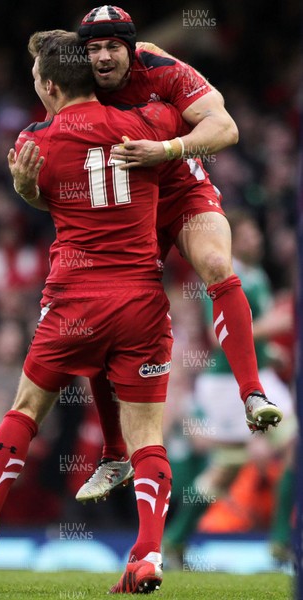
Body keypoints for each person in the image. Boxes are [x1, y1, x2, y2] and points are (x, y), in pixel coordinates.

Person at [0, 30, 186, 594]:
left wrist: (24, 190)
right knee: (147, 436)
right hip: (140, 301)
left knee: (26, 410)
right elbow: (185, 115)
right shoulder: (146, 123)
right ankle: (147, 554)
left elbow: (40, 190)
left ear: (51, 86)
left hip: (73, 300)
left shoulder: (35, 142)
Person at [74, 5, 283, 504]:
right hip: (127, 209)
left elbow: (225, 127)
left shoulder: (160, 66)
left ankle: (252, 394)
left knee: (215, 265)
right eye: (94, 48)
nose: (103, 57)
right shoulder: (73, 78)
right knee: (105, 317)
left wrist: (166, 150)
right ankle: (114, 453)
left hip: (181, 188)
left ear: (130, 46)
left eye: (112, 47)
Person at [162, 210, 297, 564]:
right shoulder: (222, 273)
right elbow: (220, 338)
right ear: (234, 238)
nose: (258, 240)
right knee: (289, 446)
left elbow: (251, 339)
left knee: (227, 467)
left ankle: (174, 542)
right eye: (251, 234)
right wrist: (277, 324)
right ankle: (282, 539)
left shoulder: (257, 276)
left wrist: (270, 354)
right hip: (227, 385)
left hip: (254, 378)